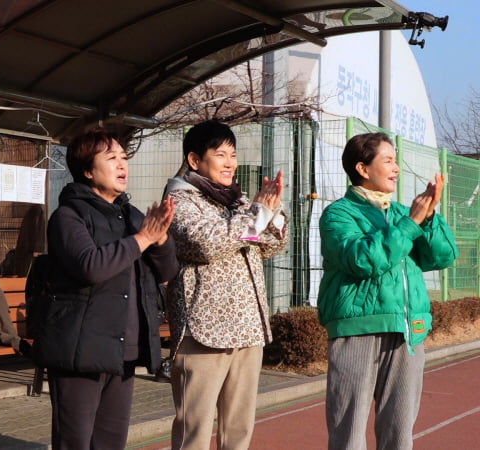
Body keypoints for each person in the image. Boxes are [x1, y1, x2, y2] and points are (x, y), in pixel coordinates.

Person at [34, 128, 178, 449]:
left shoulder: (131, 215)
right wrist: (143, 238)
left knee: (112, 442)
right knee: (76, 442)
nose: (122, 165)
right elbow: (91, 265)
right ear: (88, 170)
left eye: (124, 158)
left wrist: (162, 237)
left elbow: (168, 270)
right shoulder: (68, 216)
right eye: (111, 158)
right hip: (79, 352)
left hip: (123, 351)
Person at [318, 132, 457, 450]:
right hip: (357, 330)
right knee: (348, 432)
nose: (396, 168)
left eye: (396, 160)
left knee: (399, 433)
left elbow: (441, 256)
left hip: (408, 329)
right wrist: (411, 223)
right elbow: (362, 260)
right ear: (363, 169)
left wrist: (430, 215)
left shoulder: (400, 214)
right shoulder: (339, 214)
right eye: (388, 160)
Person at [164, 120, 288, 450]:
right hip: (204, 331)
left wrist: (271, 211)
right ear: (194, 160)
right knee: (195, 431)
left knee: (238, 431)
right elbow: (208, 243)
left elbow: (272, 245)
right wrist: (257, 215)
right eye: (221, 154)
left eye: (232, 154)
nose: (230, 163)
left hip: (247, 329)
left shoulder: (234, 200)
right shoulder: (180, 201)